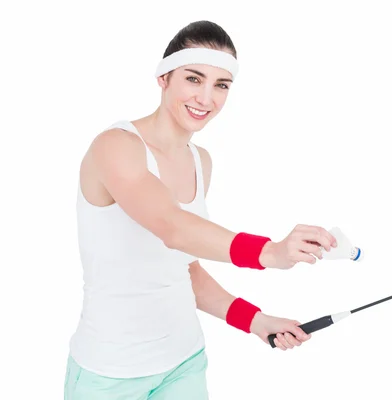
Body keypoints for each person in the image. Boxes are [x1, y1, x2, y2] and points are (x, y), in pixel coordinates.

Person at [64, 20, 337, 399]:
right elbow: (172, 226)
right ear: (164, 77)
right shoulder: (115, 146)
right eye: (194, 79)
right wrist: (269, 252)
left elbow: (184, 270)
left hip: (184, 364)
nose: (206, 98)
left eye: (221, 85)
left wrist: (256, 320)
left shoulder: (200, 161)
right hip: (110, 374)